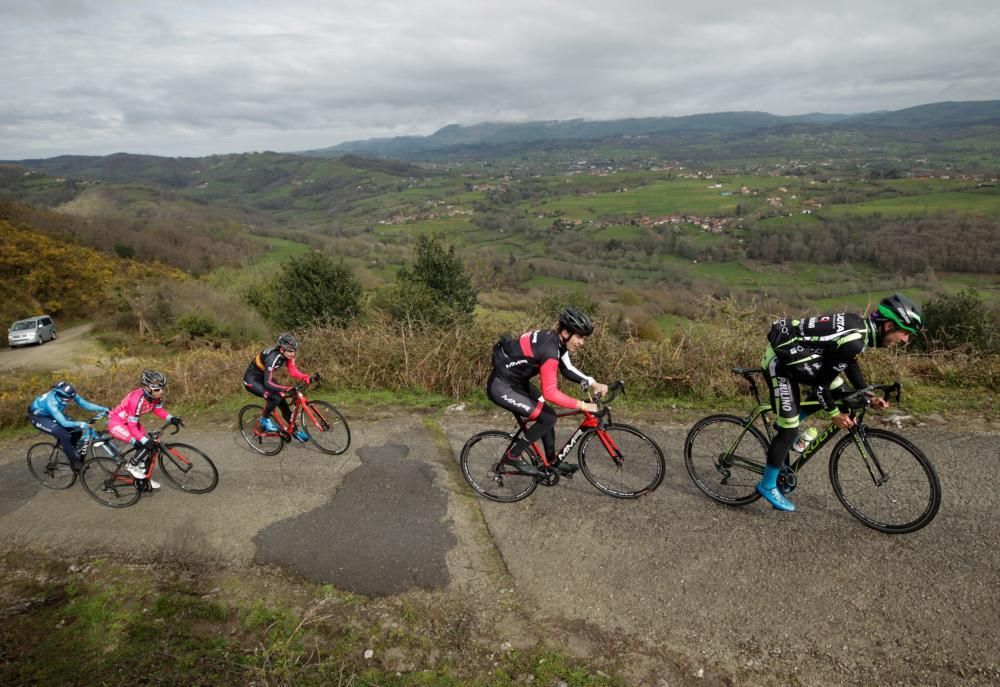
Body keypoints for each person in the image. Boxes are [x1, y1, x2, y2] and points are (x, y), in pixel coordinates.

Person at [758, 293, 924, 511]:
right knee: (791, 429)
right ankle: (768, 484)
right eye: (905, 333)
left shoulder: (860, 328)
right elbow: (821, 386)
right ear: (890, 326)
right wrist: (834, 415)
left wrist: (867, 395)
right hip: (779, 362)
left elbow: (848, 363)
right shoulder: (855, 340)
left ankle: (790, 422)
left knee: (840, 394)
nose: (905, 340)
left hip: (800, 355)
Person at [487, 307, 609, 477]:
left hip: (517, 382)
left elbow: (567, 369)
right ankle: (512, 455)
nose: (582, 343)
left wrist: (593, 383)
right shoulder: (550, 350)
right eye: (580, 337)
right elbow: (550, 392)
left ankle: (552, 462)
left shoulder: (555, 340)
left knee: (546, 413)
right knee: (548, 417)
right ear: (566, 333)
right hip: (502, 387)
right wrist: (583, 405)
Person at [108, 370, 183, 489]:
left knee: (151, 446)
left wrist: (171, 418)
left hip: (132, 422)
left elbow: (158, 410)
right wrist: (144, 441)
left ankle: (143, 478)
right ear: (147, 388)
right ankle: (131, 466)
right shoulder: (136, 400)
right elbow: (132, 427)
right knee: (144, 444)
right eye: (157, 389)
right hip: (118, 423)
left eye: (162, 388)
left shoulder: (154, 396)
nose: (161, 392)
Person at [243, 332, 315, 442]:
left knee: (282, 399)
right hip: (252, 380)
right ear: (282, 349)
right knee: (276, 397)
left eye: (295, 350)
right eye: (290, 351)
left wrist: (306, 377)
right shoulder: (272, 358)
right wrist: (286, 388)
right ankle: (264, 419)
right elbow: (268, 384)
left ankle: (294, 430)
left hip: (264, 377)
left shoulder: (288, 356)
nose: (293, 353)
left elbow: (293, 371)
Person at [28, 381, 110, 473]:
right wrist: (80, 423)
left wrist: (104, 409)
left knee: (77, 431)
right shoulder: (51, 402)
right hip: (40, 417)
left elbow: (85, 404)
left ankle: (71, 449)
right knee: (64, 435)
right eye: (68, 399)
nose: (71, 400)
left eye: (72, 398)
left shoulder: (69, 394)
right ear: (60, 396)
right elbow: (64, 423)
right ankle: (74, 463)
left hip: (53, 414)